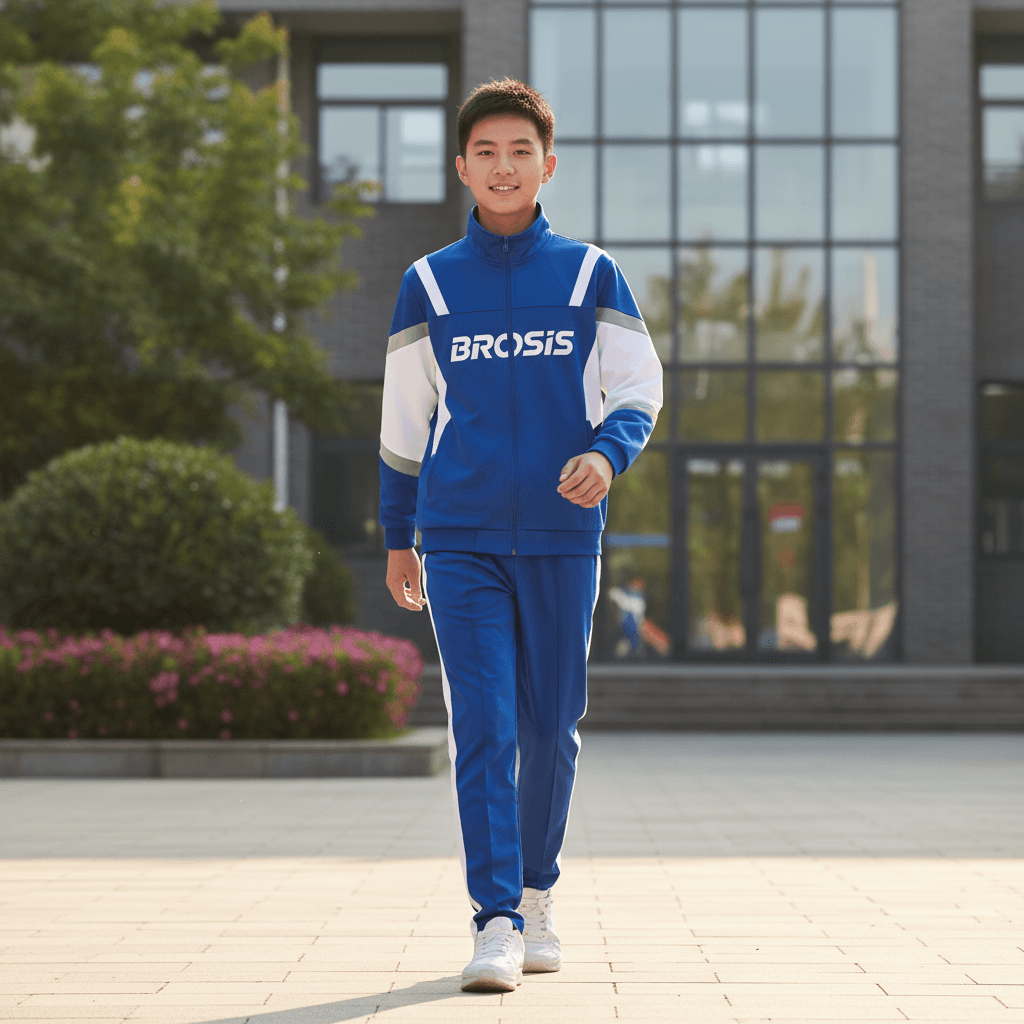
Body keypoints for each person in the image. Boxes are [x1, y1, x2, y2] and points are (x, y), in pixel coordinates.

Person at [378, 77, 663, 993]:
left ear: (548, 164)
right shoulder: (427, 283)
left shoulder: (590, 274)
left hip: (561, 531)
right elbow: (402, 418)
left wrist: (608, 456)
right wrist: (397, 532)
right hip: (456, 534)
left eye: (521, 152)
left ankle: (539, 896)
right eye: (487, 152)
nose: (504, 167)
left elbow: (638, 387)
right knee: (485, 726)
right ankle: (495, 918)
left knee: (550, 725)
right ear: (462, 166)